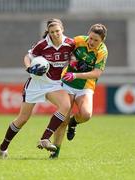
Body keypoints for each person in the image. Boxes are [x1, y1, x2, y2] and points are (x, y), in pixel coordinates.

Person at [0, 18, 75, 158]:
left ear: (62, 30)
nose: (55, 34)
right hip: (37, 83)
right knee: (23, 118)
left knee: (65, 105)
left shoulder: (70, 44)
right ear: (49, 32)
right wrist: (29, 68)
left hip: (54, 83)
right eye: (52, 32)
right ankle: (3, 147)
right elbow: (28, 57)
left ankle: (45, 138)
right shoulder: (42, 44)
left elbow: (74, 57)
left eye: (57, 31)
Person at [49, 23, 108, 159]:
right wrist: (72, 59)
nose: (92, 42)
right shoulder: (78, 40)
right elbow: (64, 50)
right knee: (63, 118)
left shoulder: (102, 51)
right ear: (88, 34)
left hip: (86, 85)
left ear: (102, 40)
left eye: (96, 40)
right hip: (67, 83)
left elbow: (97, 73)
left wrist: (76, 75)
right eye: (91, 38)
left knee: (86, 115)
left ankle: (73, 122)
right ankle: (55, 152)